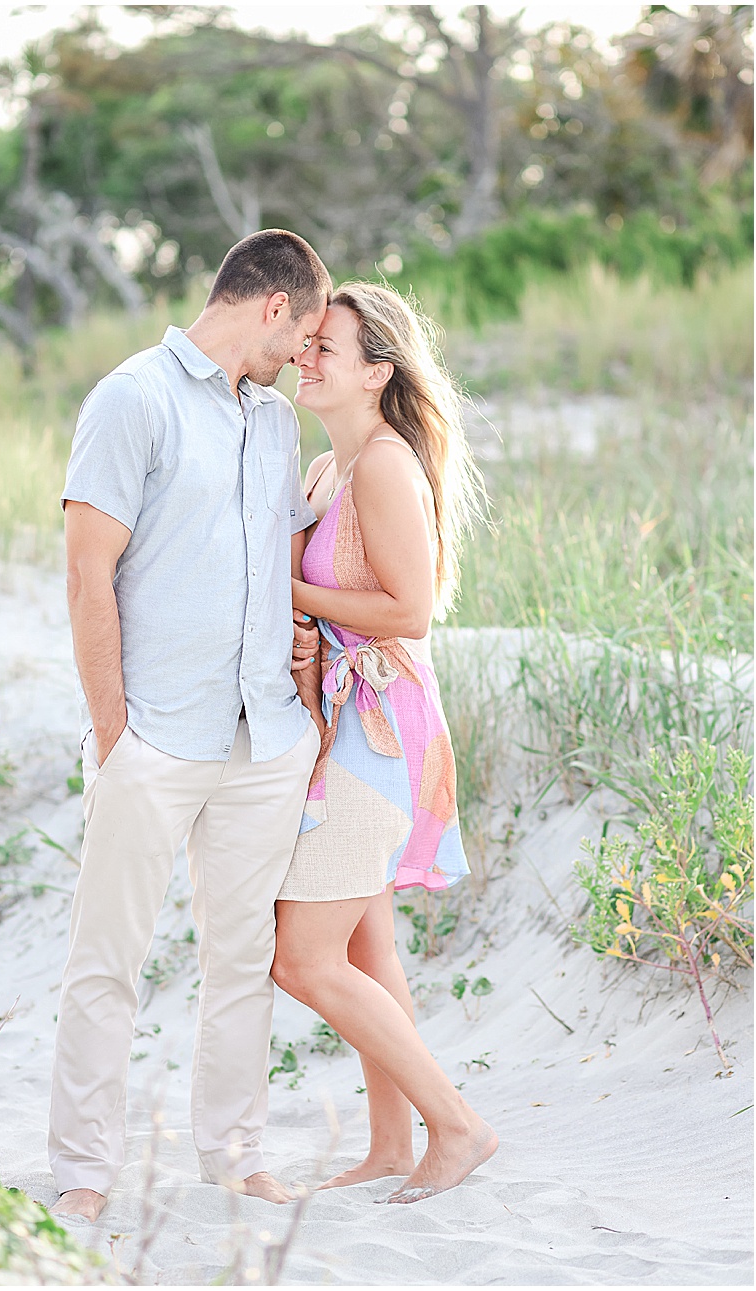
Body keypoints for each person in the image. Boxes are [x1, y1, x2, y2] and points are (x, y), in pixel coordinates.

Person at [48, 229, 331, 1220]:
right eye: (302, 336)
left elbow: (280, 565)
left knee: (240, 956)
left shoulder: (276, 422)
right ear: (271, 306)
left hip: (265, 738)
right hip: (156, 735)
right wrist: (115, 730)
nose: (303, 359)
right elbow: (89, 573)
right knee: (107, 958)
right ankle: (84, 1169)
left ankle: (233, 1152)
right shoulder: (134, 399)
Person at [272, 282, 498, 1203]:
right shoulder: (330, 469)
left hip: (380, 730)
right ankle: (390, 1145)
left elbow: (410, 610)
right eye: (306, 341)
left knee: (301, 958)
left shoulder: (384, 467)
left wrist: (297, 602)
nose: (305, 355)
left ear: (378, 371)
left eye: (327, 344)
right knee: (367, 951)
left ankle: (459, 1126)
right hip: (337, 724)